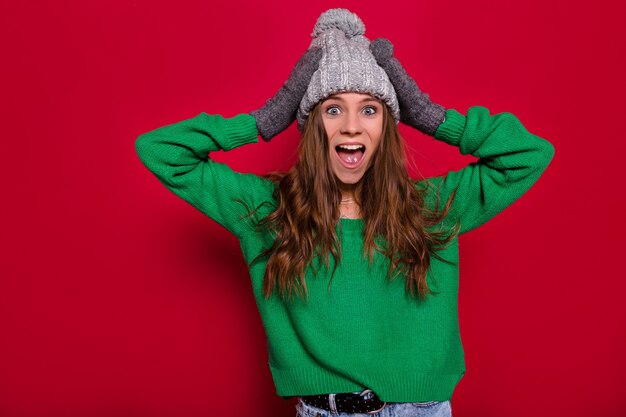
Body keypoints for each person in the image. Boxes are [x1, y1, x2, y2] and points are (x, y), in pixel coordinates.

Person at [135, 8, 554, 417]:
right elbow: (160, 151)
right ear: (313, 124)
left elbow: (530, 155)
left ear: (385, 127)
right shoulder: (266, 210)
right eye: (333, 109)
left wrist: (429, 115)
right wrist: (264, 119)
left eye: (370, 109)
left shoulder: (433, 208)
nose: (351, 125)